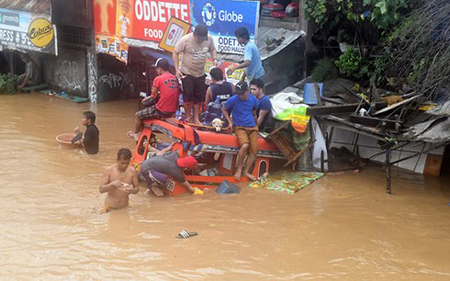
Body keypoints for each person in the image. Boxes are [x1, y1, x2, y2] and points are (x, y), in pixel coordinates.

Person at [173, 24, 218, 125]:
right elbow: (175, 52)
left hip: (200, 73)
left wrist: (214, 58)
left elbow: (213, 49)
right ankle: (188, 116)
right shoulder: (185, 40)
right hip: (187, 72)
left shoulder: (209, 39)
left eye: (203, 39)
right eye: (200, 39)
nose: (202, 41)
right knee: (188, 96)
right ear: (195, 35)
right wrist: (177, 69)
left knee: (198, 98)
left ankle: (196, 118)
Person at [128, 58, 179, 141]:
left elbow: (153, 95)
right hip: (172, 111)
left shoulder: (158, 79)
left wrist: (146, 99)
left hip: (160, 111)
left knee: (138, 115)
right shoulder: (174, 78)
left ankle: (136, 133)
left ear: (160, 69)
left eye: (156, 69)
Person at [222, 81, 259, 181]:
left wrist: (255, 123)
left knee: (254, 151)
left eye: (242, 93)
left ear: (247, 90)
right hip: (239, 127)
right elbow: (224, 108)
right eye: (238, 93)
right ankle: (239, 169)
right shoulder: (233, 99)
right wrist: (229, 122)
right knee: (245, 145)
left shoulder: (253, 99)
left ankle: (246, 171)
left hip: (252, 127)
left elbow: (255, 111)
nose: (240, 95)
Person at [99, 148, 139, 212]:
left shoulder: (132, 171)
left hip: (125, 207)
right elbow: (101, 190)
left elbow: (136, 189)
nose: (124, 165)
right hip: (109, 207)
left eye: (127, 163)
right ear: (117, 160)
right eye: (122, 163)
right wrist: (112, 184)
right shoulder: (109, 170)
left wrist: (131, 190)